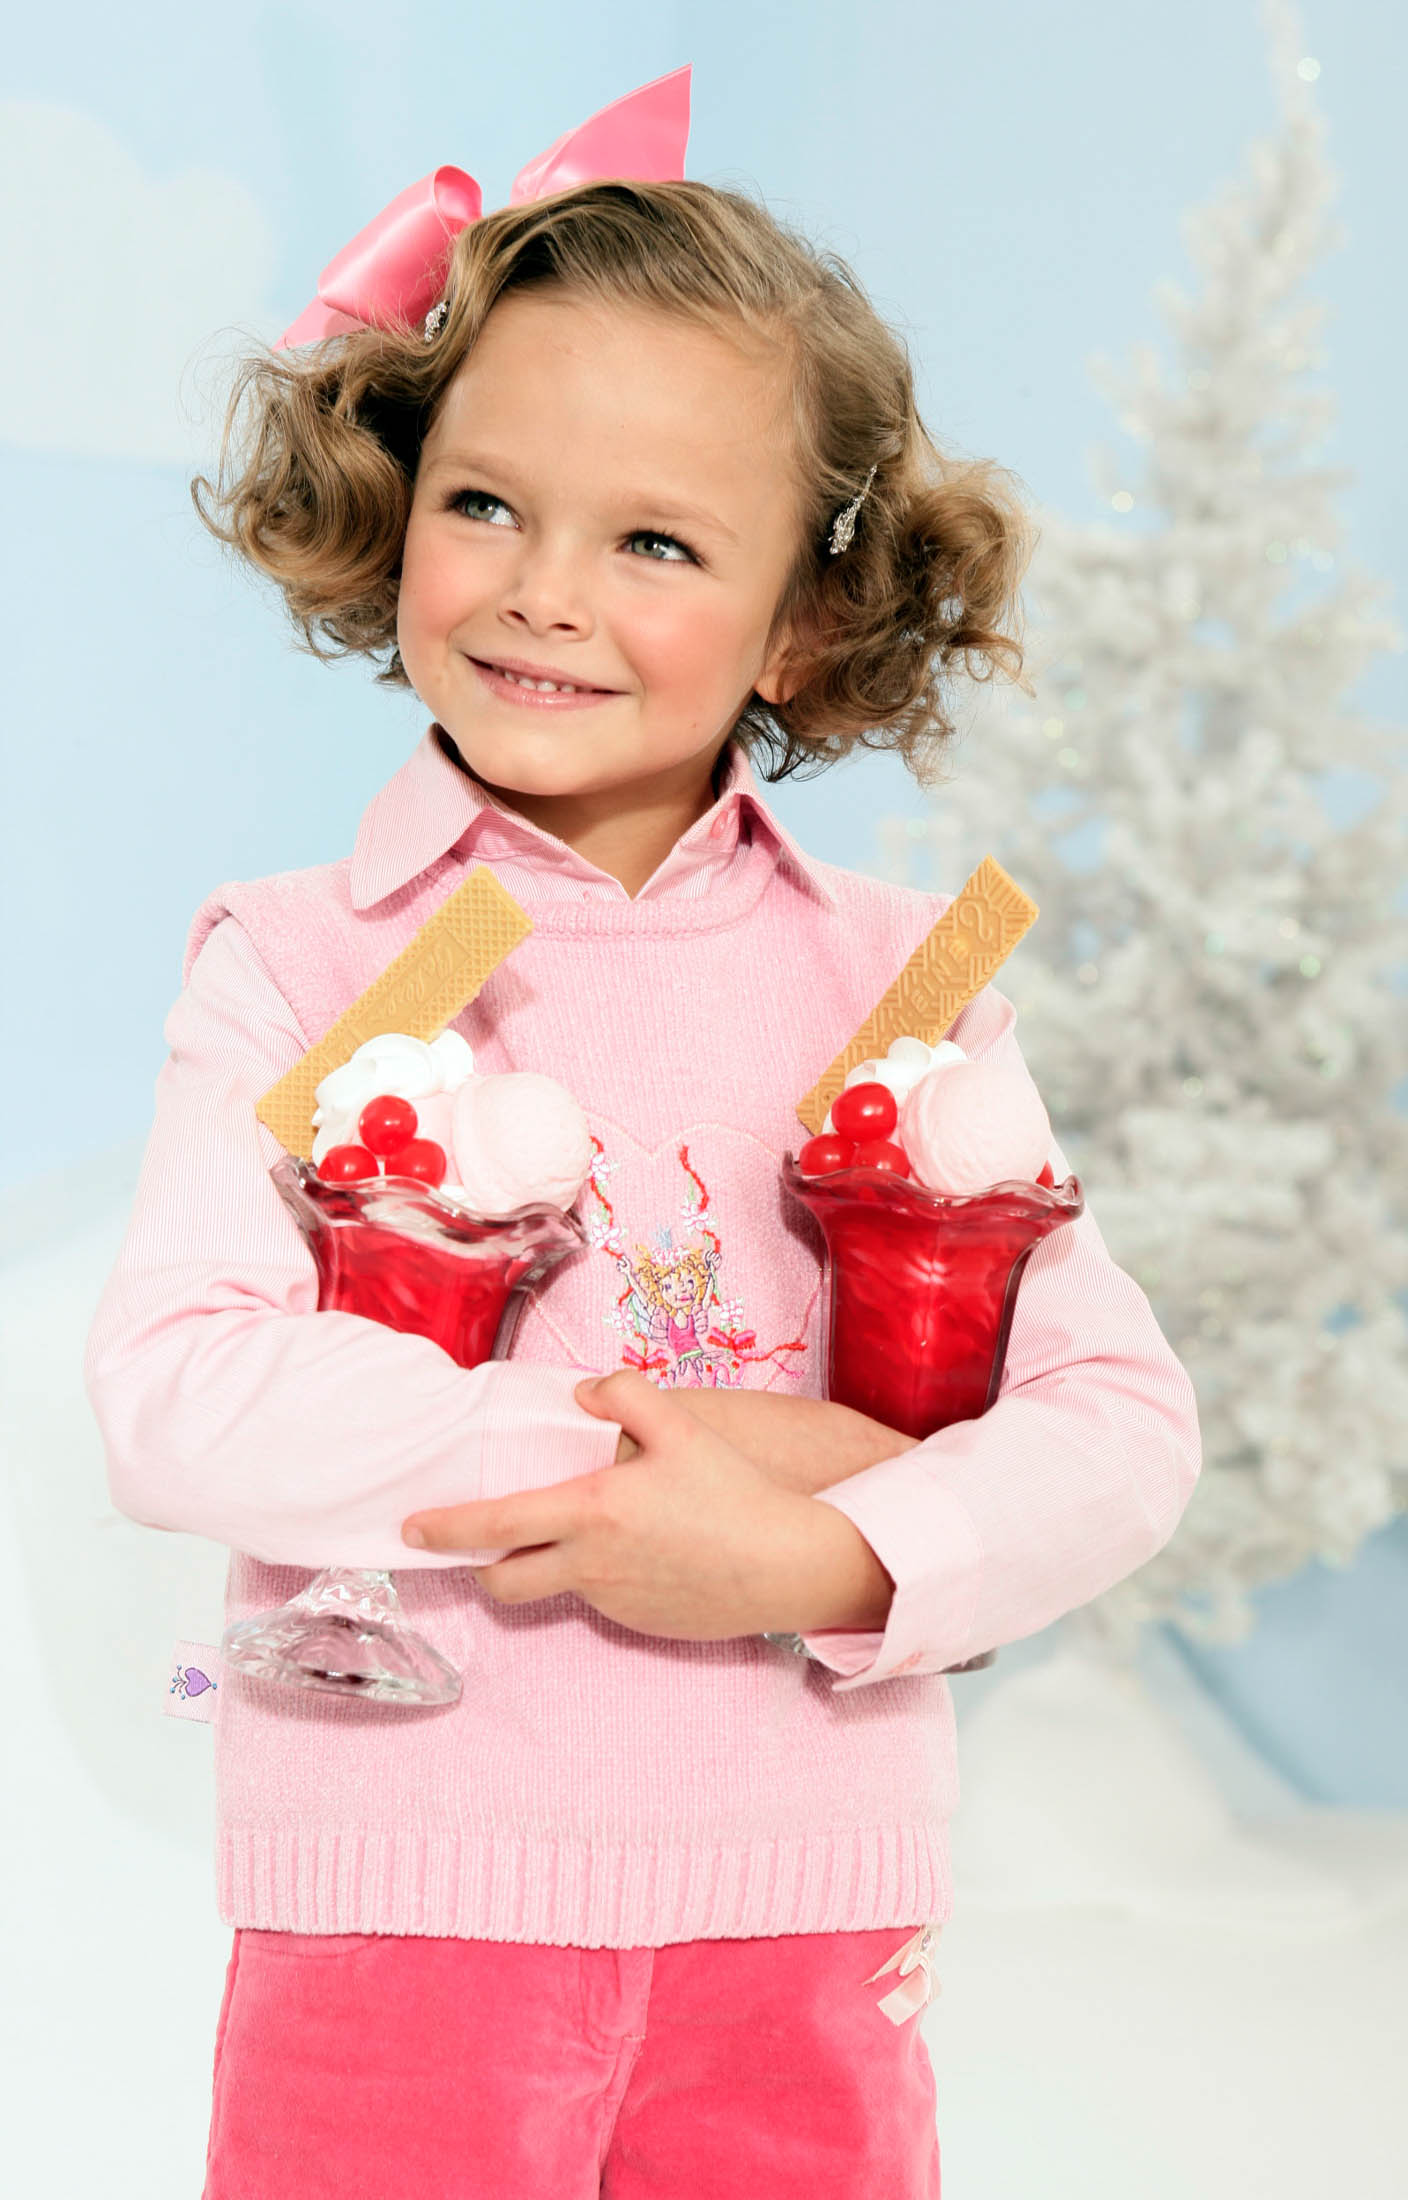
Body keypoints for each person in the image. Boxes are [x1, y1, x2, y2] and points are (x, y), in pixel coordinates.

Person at [83, 69, 1202, 2200]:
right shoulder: (299, 961)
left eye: (657, 540)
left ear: (806, 621)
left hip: (801, 1907)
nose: (542, 591)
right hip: (394, 1898)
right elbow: (172, 1393)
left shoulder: (896, 989)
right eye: (485, 500)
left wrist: (832, 1544)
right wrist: (631, 1482)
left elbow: (1114, 1421)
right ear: (394, 498)